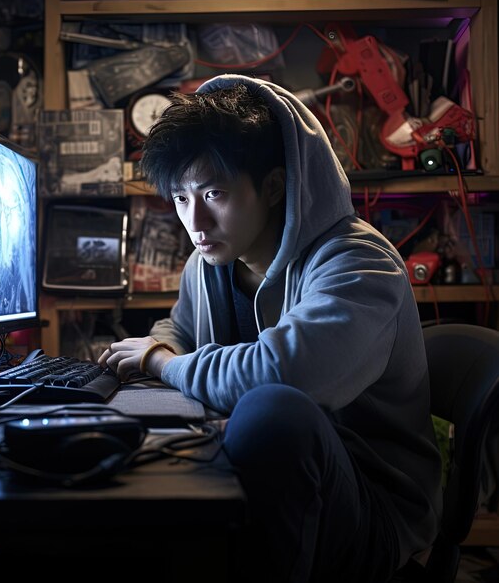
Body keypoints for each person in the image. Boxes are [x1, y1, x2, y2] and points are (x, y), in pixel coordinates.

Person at [98, 74, 443, 582]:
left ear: (275, 185)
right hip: (267, 485)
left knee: (274, 410)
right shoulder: (210, 261)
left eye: (214, 193)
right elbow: (178, 328)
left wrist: (160, 362)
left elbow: (280, 376)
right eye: (179, 197)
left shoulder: (360, 265)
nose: (196, 222)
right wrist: (164, 345)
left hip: (372, 511)